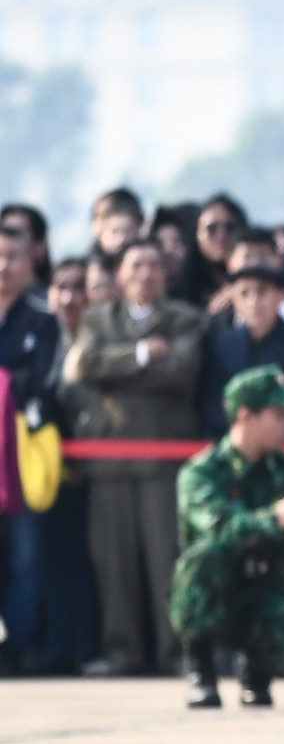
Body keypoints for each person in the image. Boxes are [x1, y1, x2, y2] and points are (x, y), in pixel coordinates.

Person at [64, 238, 205, 674]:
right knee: (113, 565)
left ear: (166, 273)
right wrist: (143, 354)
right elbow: (85, 366)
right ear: (120, 274)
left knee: (168, 563)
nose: (145, 273)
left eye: (153, 265)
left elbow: (180, 372)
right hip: (108, 460)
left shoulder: (185, 318)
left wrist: (117, 370)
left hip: (163, 460)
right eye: (135, 265)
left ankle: (176, 653)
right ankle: (123, 653)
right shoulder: (97, 318)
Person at [171, 365, 284, 708]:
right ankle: (200, 669)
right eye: (278, 415)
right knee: (205, 557)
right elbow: (222, 529)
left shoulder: (283, 470)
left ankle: (256, 668)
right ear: (246, 416)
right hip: (216, 585)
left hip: (263, 582)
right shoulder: (202, 472)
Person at [0, 228, 63, 675]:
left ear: (29, 263)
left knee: (26, 556)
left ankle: (19, 644)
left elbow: (39, 381)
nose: (3, 266)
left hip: (20, 452)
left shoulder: (43, 320)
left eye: (11, 257)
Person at [197, 266, 284, 439]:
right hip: (233, 443)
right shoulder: (221, 345)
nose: (253, 301)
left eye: (262, 292)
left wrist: (264, 430)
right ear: (233, 299)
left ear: (281, 295)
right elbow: (212, 403)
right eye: (244, 294)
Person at [171, 195, 248, 307]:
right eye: (212, 229)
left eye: (229, 228)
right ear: (197, 234)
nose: (221, 236)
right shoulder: (179, 291)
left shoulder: (264, 281)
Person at [0, 204, 52, 290]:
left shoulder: (52, 300)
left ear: (40, 247)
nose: (8, 240)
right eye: (5, 231)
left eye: (17, 233)